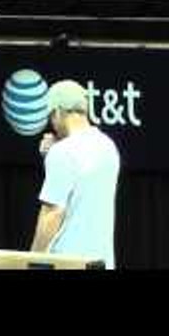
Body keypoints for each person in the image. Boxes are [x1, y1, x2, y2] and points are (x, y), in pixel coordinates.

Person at [30, 79, 121, 269]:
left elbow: (52, 213)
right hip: (101, 262)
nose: (52, 125)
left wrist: (32, 260)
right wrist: (55, 151)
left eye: (51, 118)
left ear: (57, 113)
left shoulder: (62, 153)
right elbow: (83, 176)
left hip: (66, 262)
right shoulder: (108, 147)